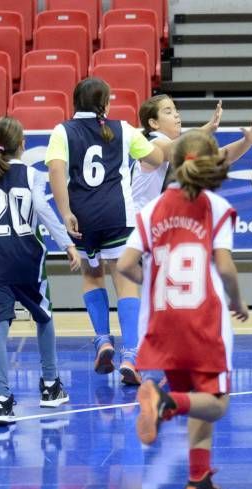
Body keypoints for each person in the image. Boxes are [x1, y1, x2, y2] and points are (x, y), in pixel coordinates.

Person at [117, 129, 249, 489]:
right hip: (203, 321)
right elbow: (224, 268)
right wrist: (238, 301)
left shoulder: (151, 209)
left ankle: (199, 483)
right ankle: (166, 403)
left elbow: (126, 265)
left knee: (197, 397)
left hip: (162, 321)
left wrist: (152, 282)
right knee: (216, 403)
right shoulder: (214, 207)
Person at [46, 77, 171, 387]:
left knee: (91, 277)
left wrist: (65, 213)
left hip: (83, 215)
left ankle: (103, 340)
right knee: (126, 284)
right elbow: (157, 158)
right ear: (104, 104)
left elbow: (56, 170)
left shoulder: (62, 131)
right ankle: (131, 356)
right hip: (117, 214)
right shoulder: (124, 129)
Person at [0, 116, 81, 425]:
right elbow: (43, 212)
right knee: (43, 317)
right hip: (28, 260)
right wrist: (67, 244)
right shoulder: (32, 175)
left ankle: (1, 400)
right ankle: (50, 386)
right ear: (23, 144)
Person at [133, 95, 252, 211]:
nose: (176, 114)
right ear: (153, 123)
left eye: (176, 110)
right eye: (168, 112)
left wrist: (247, 141)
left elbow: (221, 156)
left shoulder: (178, 148)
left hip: (158, 222)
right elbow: (175, 147)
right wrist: (208, 128)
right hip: (136, 224)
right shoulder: (151, 143)